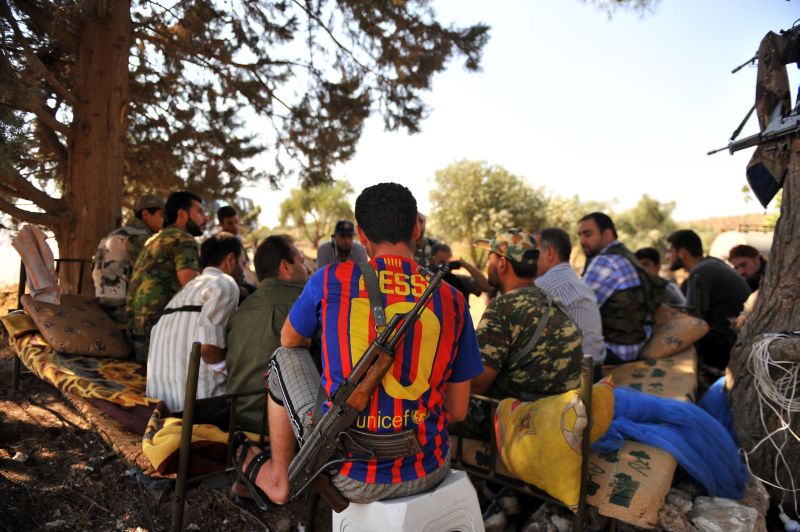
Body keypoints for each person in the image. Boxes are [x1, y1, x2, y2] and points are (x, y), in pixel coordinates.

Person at [232, 182, 482, 507]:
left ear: (361, 235)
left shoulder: (329, 279)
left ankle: (280, 477)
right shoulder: (453, 298)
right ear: (416, 229)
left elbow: (289, 340)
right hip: (430, 468)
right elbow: (457, 410)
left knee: (283, 357)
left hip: (354, 475)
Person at [470, 228, 583, 405]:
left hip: (517, 415)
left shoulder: (502, 308)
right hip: (560, 412)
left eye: (490, 258)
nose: (487, 264)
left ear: (502, 263)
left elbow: (476, 384)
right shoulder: (552, 302)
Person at [146, 233, 243, 416]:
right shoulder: (225, 284)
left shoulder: (185, 291)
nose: (244, 272)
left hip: (160, 410)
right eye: (243, 263)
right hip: (196, 410)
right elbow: (208, 348)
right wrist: (234, 373)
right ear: (230, 260)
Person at [225, 235, 311, 434]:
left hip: (238, 419)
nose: (307, 269)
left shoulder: (241, 309)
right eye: (301, 261)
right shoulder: (305, 301)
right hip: (282, 425)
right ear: (285, 267)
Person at [127, 191, 208, 362]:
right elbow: (193, 288)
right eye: (200, 212)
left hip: (136, 332)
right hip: (158, 335)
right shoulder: (183, 239)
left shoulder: (153, 239)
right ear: (182, 214)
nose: (205, 217)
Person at [578, 212, 665, 364]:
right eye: (580, 236)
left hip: (616, 349)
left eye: (588, 234)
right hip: (635, 342)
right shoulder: (626, 255)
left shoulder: (605, 262)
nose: (582, 241)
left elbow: (579, 311)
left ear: (607, 235)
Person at [667, 230, 751, 371]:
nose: (667, 256)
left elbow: (693, 321)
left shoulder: (701, 271)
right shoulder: (711, 264)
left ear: (682, 253)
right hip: (738, 340)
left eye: (670, 251)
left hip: (730, 346)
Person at [534, 227, 606, 366]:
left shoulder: (543, 285)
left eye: (534, 252)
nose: (529, 259)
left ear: (549, 253)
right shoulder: (579, 284)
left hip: (571, 373)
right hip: (594, 367)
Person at [92, 194, 165, 322]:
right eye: (162, 215)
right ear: (146, 214)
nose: (165, 220)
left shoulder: (122, 232)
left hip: (107, 301)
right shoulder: (139, 236)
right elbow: (153, 271)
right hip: (121, 307)